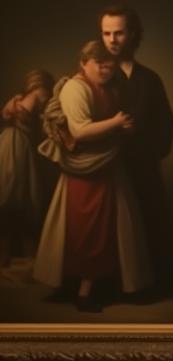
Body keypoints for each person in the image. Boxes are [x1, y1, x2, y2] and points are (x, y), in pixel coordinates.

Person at [33, 40, 152, 311]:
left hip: (107, 168)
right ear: (84, 64)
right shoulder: (75, 88)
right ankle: (72, 285)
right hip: (82, 169)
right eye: (100, 64)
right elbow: (80, 131)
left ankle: (90, 288)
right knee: (78, 228)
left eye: (110, 64)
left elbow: (124, 122)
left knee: (106, 230)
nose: (106, 69)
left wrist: (126, 127)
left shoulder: (112, 87)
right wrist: (117, 123)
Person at [100, 6, 173, 293]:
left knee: (148, 222)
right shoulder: (96, 75)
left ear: (132, 34)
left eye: (118, 33)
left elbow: (167, 124)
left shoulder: (150, 79)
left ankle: (145, 286)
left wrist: (145, 145)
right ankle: (105, 286)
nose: (112, 40)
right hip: (105, 166)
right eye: (106, 33)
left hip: (142, 167)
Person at [0, 70, 55, 268]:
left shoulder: (18, 100)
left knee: (17, 198)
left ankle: (13, 257)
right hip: (16, 146)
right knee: (17, 196)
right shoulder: (34, 98)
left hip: (11, 144)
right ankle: (16, 257)